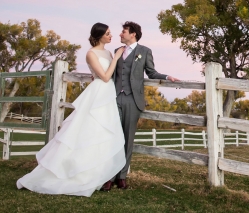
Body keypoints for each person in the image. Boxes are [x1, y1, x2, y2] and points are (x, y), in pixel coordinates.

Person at [17, 23, 127, 196]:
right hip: (98, 92)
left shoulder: (107, 53)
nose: (110, 36)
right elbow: (105, 77)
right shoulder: (91, 53)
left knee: (102, 132)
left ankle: (100, 172)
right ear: (99, 36)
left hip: (107, 95)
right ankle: (75, 171)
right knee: (88, 129)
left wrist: (114, 58)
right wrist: (116, 58)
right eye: (107, 33)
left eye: (110, 33)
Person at [103, 21, 179, 191]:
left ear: (133, 34)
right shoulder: (116, 51)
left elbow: (151, 72)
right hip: (115, 97)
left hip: (133, 99)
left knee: (128, 139)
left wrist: (167, 77)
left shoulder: (145, 51)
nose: (120, 34)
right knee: (112, 137)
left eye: (123, 31)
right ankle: (108, 177)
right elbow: (111, 73)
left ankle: (121, 177)